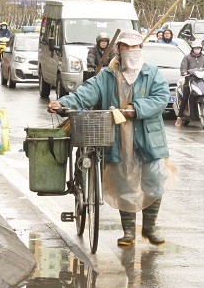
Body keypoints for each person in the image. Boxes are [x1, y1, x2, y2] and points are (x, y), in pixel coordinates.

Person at [47, 29, 172, 246]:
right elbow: (86, 93)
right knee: (125, 181)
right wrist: (64, 103)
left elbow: (161, 98)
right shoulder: (107, 75)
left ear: (140, 49)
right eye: (126, 47)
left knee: (154, 180)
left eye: (135, 47)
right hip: (118, 136)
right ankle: (129, 231)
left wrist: (136, 109)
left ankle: (150, 228)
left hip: (147, 136)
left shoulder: (152, 73)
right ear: (119, 50)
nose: (131, 52)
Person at [176, 39, 204, 127]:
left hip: (201, 81)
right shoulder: (187, 58)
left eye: (199, 48)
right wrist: (184, 72)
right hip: (190, 81)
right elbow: (183, 67)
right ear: (192, 48)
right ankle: (179, 117)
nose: (197, 49)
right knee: (185, 98)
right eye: (195, 48)